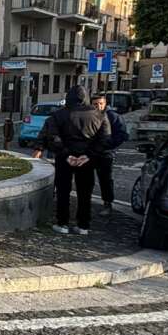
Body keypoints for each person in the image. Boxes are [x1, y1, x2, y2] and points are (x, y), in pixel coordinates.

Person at [33, 85, 111, 235]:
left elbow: (52, 136)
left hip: (64, 158)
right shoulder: (100, 115)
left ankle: (62, 223)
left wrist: (66, 154)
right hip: (87, 160)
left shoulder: (58, 115)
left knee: (63, 191)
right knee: (85, 193)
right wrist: (88, 155)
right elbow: (105, 139)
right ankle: (83, 225)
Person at [91, 94, 129, 217]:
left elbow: (122, 135)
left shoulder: (113, 116)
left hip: (105, 154)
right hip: (89, 153)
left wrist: (108, 145)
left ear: (105, 103)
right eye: (95, 104)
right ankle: (86, 203)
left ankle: (107, 204)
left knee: (105, 180)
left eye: (100, 103)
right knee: (87, 179)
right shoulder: (89, 116)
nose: (98, 106)